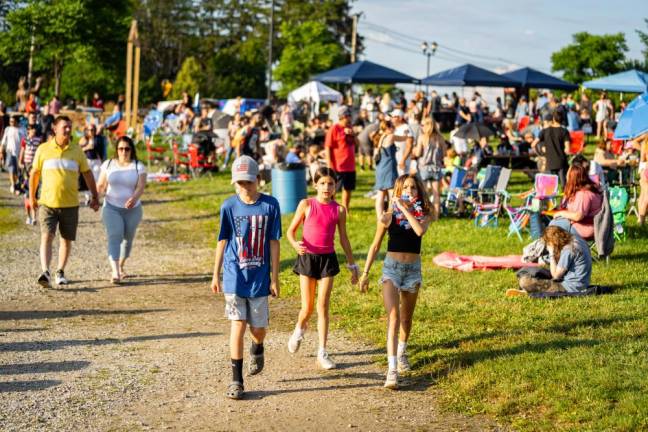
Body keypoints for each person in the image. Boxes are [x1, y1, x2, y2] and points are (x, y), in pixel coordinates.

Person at [210, 155, 281, 400]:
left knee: (258, 329)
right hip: (233, 275)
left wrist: (274, 277)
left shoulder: (270, 205)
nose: (244, 187)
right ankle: (236, 381)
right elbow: (222, 241)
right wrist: (216, 274)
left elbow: (273, 242)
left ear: (258, 180)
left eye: (248, 182)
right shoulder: (228, 206)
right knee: (237, 325)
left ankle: (258, 347)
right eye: (239, 183)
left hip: (259, 277)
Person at [359, 175, 433, 389]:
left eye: (413, 187)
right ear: (397, 192)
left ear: (418, 192)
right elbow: (374, 246)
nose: (410, 190)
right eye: (405, 188)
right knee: (393, 317)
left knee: (406, 319)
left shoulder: (424, 215)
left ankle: (402, 352)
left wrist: (406, 208)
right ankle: (391, 370)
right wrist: (365, 273)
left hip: (412, 270)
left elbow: (418, 231)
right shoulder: (389, 217)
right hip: (391, 269)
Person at [286, 167, 358, 369]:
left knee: (323, 306)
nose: (327, 187)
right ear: (315, 185)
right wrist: (294, 244)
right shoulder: (306, 204)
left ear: (336, 186)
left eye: (331, 184)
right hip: (308, 258)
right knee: (307, 308)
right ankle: (299, 330)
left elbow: (343, 238)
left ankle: (322, 352)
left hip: (328, 260)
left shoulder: (339, 210)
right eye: (323, 183)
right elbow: (291, 231)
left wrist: (352, 264)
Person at [29, 116, 100, 288]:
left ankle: (60, 271)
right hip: (47, 202)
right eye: (65, 127)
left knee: (66, 239)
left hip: (70, 204)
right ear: (54, 128)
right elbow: (35, 174)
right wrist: (32, 198)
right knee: (47, 236)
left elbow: (87, 173)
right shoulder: (43, 149)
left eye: (70, 127)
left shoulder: (77, 151)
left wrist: (95, 195)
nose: (68, 130)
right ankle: (45, 271)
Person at [96, 136, 146, 283]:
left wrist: (135, 198)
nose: (124, 152)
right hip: (111, 207)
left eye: (127, 149)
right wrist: (96, 196)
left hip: (133, 209)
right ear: (116, 150)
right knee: (115, 235)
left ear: (131, 150)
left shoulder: (138, 165)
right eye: (121, 148)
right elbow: (101, 184)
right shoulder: (109, 164)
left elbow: (141, 186)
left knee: (127, 239)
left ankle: (121, 265)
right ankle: (115, 272)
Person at [507, 225, 592, 296]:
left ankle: (529, 290)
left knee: (525, 281)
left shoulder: (569, 250)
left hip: (570, 288)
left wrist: (551, 253)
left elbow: (555, 276)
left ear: (553, 242)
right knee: (534, 271)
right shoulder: (577, 240)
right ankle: (531, 289)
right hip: (581, 283)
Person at [551, 163, 603, 240]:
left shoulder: (584, 194)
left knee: (553, 228)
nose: (566, 176)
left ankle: (551, 250)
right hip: (584, 224)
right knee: (553, 225)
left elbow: (578, 216)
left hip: (586, 228)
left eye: (568, 174)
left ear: (573, 178)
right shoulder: (584, 189)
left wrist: (561, 213)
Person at [325, 106, 357, 211]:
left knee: (348, 188)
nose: (350, 119)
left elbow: (358, 144)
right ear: (342, 117)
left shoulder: (351, 128)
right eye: (348, 116)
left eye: (350, 116)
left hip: (350, 165)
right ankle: (330, 207)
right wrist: (329, 163)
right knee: (333, 189)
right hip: (338, 165)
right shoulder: (334, 129)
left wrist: (353, 135)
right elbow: (328, 147)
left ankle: (345, 209)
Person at [415, 117, 446, 220]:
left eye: (423, 125)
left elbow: (418, 153)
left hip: (424, 168)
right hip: (436, 168)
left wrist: (415, 151)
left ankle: (424, 216)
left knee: (424, 193)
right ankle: (436, 216)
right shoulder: (440, 138)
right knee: (436, 193)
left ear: (427, 125)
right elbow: (444, 154)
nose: (421, 127)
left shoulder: (422, 137)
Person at [532, 111, 570, 188]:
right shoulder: (564, 131)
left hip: (550, 162)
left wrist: (541, 155)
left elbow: (533, 144)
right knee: (564, 186)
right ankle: (565, 199)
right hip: (561, 162)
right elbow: (567, 149)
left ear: (553, 119)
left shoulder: (544, 131)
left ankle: (552, 200)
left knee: (551, 187)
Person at [373, 119, 399, 216]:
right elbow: (404, 138)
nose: (394, 128)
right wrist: (408, 135)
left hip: (380, 169)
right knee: (392, 193)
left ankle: (380, 217)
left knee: (380, 194)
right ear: (387, 128)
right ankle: (392, 215)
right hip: (389, 168)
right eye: (392, 126)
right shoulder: (390, 137)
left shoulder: (379, 137)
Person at [18, 125, 43, 224]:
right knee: (27, 192)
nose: (33, 131)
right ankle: (28, 216)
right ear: (28, 131)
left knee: (34, 191)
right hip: (26, 166)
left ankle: (34, 217)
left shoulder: (38, 140)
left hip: (35, 165)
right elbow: (22, 151)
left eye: (34, 129)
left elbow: (40, 152)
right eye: (31, 129)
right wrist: (20, 162)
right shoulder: (25, 140)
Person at [79, 124, 104, 205]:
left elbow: (102, 151)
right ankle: (88, 198)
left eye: (92, 130)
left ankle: (96, 197)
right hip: (87, 160)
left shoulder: (99, 139)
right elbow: (79, 149)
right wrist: (87, 147)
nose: (91, 131)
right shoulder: (84, 139)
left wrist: (102, 161)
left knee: (97, 179)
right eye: (89, 130)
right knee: (87, 180)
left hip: (96, 161)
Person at [0, 116, 23, 194]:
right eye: (10, 122)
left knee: (17, 171)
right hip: (10, 151)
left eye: (13, 121)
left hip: (19, 153)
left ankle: (16, 184)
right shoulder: (8, 129)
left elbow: (25, 141)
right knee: (11, 169)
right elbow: (3, 141)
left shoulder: (22, 130)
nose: (11, 123)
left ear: (17, 122)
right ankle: (13, 184)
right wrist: (1, 152)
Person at [391, 109, 414, 176]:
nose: (392, 118)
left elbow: (409, 145)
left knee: (402, 181)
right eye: (391, 117)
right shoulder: (394, 129)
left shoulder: (406, 128)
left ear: (400, 118)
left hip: (403, 161)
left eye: (394, 116)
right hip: (395, 160)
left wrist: (403, 159)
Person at [639, 136, 648, 225]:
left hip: (645, 169)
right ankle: (641, 221)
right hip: (646, 171)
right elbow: (643, 158)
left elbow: (642, 158)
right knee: (646, 198)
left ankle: (641, 220)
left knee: (644, 196)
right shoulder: (645, 142)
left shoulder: (645, 142)